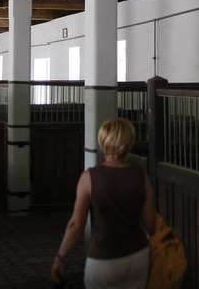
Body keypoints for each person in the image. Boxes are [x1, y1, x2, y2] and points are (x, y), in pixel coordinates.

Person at [52, 118, 155, 289]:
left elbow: (76, 224)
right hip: (138, 256)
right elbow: (150, 225)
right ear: (129, 143)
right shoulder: (141, 176)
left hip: (104, 258)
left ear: (103, 142)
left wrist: (60, 257)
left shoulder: (89, 177)